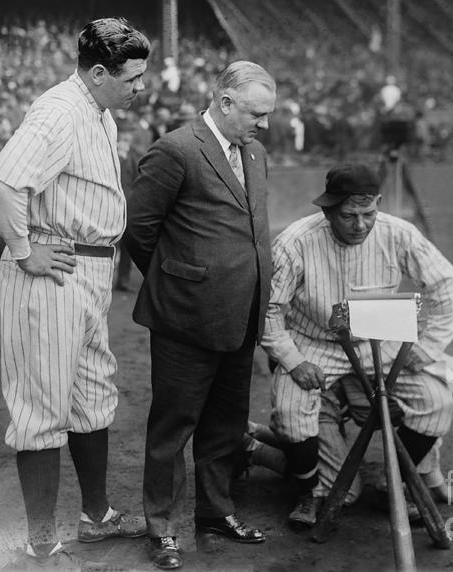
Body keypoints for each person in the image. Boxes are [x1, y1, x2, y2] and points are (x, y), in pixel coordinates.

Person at [0, 17, 150, 570]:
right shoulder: (59, 110)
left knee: (92, 394)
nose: (140, 87)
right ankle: (40, 543)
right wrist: (24, 250)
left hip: (88, 271)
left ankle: (96, 519)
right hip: (51, 269)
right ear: (98, 72)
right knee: (41, 405)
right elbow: (4, 179)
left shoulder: (97, 110)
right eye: (132, 78)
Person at [124, 61, 275, 570]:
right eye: (257, 112)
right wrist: (180, 283)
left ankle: (215, 511)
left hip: (241, 314)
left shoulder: (254, 152)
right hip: (186, 318)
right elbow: (138, 230)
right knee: (174, 426)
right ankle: (162, 528)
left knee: (225, 425)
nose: (264, 123)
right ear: (225, 102)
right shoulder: (177, 149)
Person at [261, 162, 453, 528]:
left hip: (380, 343)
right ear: (327, 211)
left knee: (435, 401)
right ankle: (307, 491)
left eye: (368, 213)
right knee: (291, 411)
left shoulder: (398, 233)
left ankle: (397, 482)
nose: (360, 225)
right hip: (315, 343)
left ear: (378, 204)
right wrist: (292, 361)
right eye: (348, 215)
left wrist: (428, 348)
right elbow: (268, 311)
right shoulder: (296, 242)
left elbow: (448, 289)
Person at [244, 334, 453, 510]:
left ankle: (257, 432)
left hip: (338, 405)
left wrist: (440, 489)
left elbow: (429, 440)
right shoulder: (443, 373)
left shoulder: (449, 379)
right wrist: (434, 489)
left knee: (366, 473)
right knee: (345, 492)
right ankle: (253, 450)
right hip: (320, 399)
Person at [114, 126, 141, 291]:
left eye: (127, 137)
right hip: (111, 204)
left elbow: (140, 176)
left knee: (127, 245)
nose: (124, 139)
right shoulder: (108, 150)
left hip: (128, 205)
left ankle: (123, 280)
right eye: (122, 136)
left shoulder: (134, 155)